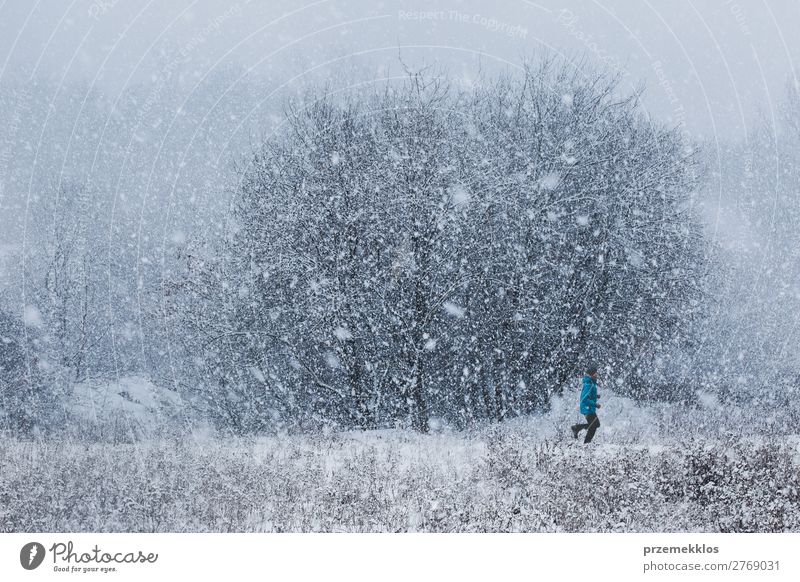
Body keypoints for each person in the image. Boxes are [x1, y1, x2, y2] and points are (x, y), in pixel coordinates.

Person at [571, 364, 601, 443]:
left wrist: (595, 396)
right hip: (587, 408)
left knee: (595, 425)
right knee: (594, 425)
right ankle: (586, 442)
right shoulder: (589, 384)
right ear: (592, 374)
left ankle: (577, 428)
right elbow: (584, 399)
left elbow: (588, 395)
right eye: (596, 373)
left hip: (588, 408)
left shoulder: (591, 383)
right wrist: (595, 404)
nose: (597, 374)